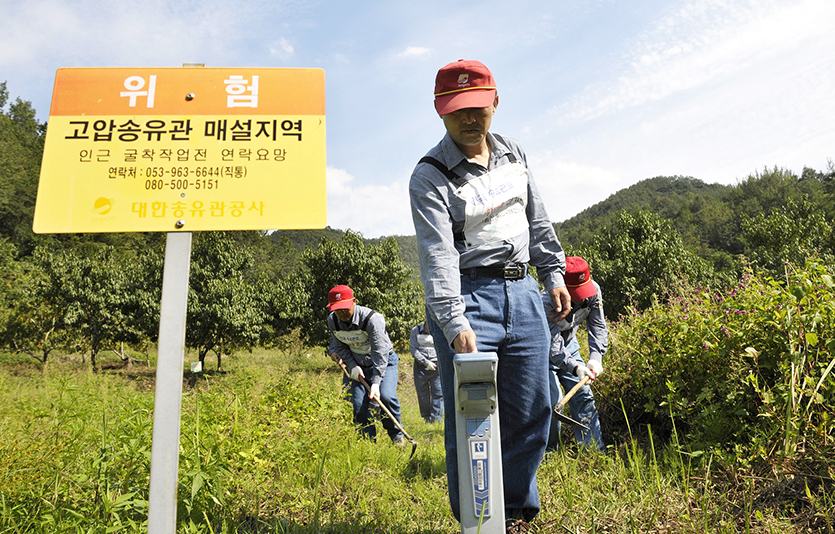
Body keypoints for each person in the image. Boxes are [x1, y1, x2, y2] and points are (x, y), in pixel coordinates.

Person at [409, 59, 571, 531]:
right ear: (441, 111)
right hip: (469, 298)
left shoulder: (514, 153)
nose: (470, 118)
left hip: (523, 292)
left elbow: (538, 220)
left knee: (533, 406)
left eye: (479, 106)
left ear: (494, 103)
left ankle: (516, 510)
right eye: (458, 109)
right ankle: (479, 520)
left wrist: (554, 273)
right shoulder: (430, 174)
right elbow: (437, 256)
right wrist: (454, 322)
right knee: (470, 418)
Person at [542, 256, 607, 452]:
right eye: (575, 294)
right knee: (552, 400)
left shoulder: (593, 292)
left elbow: (598, 326)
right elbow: (553, 349)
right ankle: (549, 451)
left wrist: (596, 358)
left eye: (583, 291)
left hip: (569, 345)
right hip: (543, 351)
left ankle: (594, 450)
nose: (581, 298)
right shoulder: (545, 301)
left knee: (584, 394)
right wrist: (577, 367)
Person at [326, 284, 405, 444]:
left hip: (384, 362)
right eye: (337, 309)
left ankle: (397, 436)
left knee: (387, 398)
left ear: (354, 301)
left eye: (345, 308)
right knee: (357, 404)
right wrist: (352, 365)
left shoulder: (371, 319)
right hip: (357, 363)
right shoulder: (333, 321)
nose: (341, 313)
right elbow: (340, 346)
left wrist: (376, 382)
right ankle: (368, 442)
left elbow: (380, 351)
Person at [409, 320, 444, 423]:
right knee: (423, 393)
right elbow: (413, 349)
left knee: (438, 392)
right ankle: (427, 418)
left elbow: (443, 347)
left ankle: (437, 418)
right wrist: (426, 363)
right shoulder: (416, 330)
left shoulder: (440, 331)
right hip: (421, 366)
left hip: (437, 365)